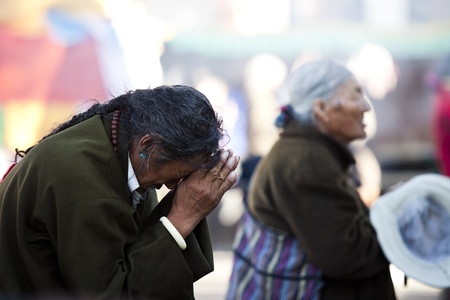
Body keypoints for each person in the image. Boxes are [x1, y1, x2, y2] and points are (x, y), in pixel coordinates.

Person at [0, 85, 240, 299]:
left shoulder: (125, 145)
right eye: (176, 174)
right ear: (148, 144)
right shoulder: (86, 184)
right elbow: (110, 292)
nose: (172, 186)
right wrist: (183, 216)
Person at [226, 59, 396, 300]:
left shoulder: (306, 152)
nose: (366, 106)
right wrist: (397, 219)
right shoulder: (307, 161)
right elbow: (348, 256)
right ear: (322, 109)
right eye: (356, 95)